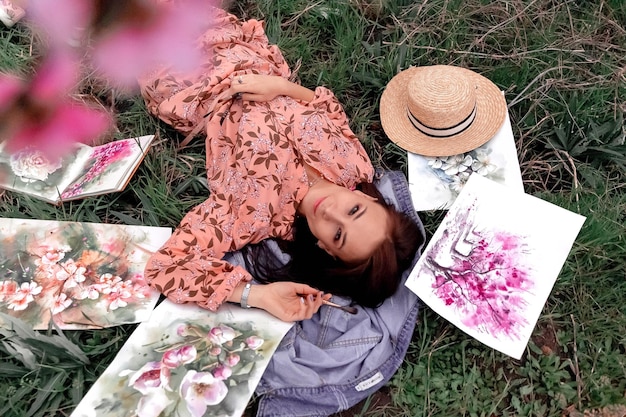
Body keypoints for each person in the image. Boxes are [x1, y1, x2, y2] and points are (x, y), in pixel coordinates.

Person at [138, 6, 424, 322]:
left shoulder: (252, 215)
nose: (330, 212)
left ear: (326, 249)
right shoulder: (356, 168)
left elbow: (167, 266)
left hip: (186, 72)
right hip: (242, 48)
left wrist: (256, 296)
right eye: (354, 210)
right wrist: (283, 88)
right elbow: (329, 110)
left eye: (338, 235)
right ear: (368, 197)